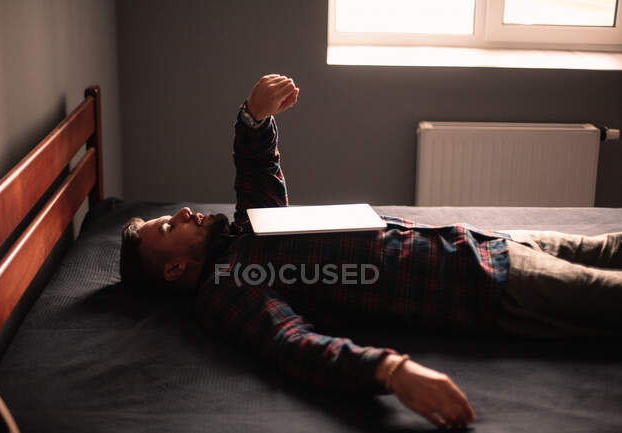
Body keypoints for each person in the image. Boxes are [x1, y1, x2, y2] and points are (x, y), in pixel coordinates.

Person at [120, 74, 622, 430]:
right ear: (175, 270)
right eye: (168, 225)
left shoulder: (244, 235)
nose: (182, 212)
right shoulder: (229, 287)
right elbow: (292, 344)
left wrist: (253, 119)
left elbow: (256, 174)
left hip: (482, 245)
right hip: (484, 285)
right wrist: (393, 370)